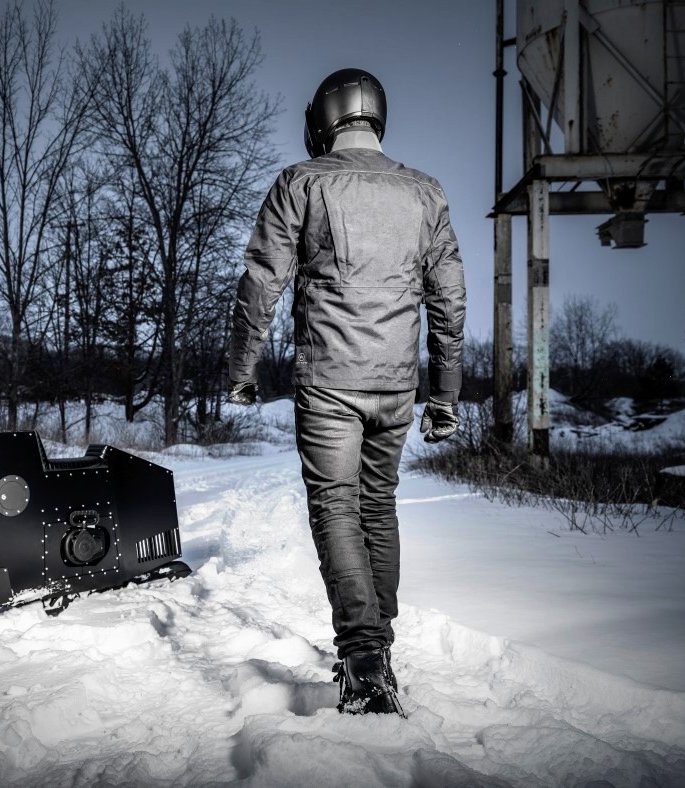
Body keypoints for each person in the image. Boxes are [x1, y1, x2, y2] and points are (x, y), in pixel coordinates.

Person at [226, 68, 466, 718]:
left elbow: (261, 282)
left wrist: (242, 368)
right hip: (397, 385)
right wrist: (444, 394)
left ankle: (363, 660)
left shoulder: (300, 182)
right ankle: (377, 650)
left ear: (323, 120)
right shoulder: (426, 192)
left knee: (336, 508)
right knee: (377, 507)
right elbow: (449, 300)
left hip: (330, 380)